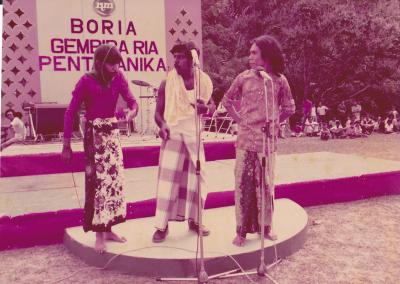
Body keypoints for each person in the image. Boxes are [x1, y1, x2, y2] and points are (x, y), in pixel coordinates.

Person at [61, 44, 138, 253]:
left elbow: (133, 102)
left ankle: (109, 228)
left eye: (117, 65)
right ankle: (98, 234)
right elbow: (70, 112)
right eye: (112, 65)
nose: (116, 69)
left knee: (114, 182)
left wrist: (131, 114)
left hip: (112, 134)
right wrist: (66, 144)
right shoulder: (86, 80)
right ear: (100, 63)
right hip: (93, 136)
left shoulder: (119, 77)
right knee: (97, 183)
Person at [222, 35, 295, 247]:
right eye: (250, 52)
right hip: (245, 141)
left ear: (266, 55)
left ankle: (266, 227)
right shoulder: (243, 78)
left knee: (266, 184)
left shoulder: (278, 80)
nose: (250, 57)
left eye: (254, 53)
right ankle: (241, 231)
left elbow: (290, 108)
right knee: (243, 184)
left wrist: (275, 122)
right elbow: (226, 101)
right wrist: (240, 121)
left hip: (267, 142)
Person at [152, 41, 213, 243]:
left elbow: (210, 107)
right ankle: (162, 226)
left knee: (198, 179)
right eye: (175, 57)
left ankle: (196, 221)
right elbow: (158, 115)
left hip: (194, 133)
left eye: (181, 57)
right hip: (173, 132)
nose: (176, 61)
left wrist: (206, 109)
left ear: (192, 58)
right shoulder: (166, 83)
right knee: (168, 182)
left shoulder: (203, 82)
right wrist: (162, 126)